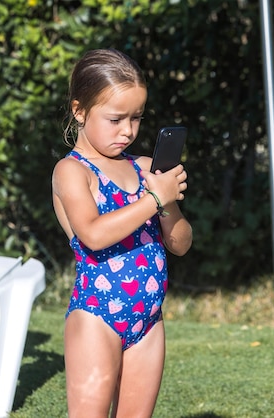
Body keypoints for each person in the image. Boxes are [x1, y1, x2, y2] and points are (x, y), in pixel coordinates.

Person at [52, 48, 193, 418]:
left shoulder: (145, 168)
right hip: (97, 317)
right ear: (79, 111)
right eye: (115, 119)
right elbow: (94, 235)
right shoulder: (72, 171)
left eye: (137, 118)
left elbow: (180, 244)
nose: (128, 131)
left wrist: (167, 201)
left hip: (148, 319)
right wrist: (153, 198)